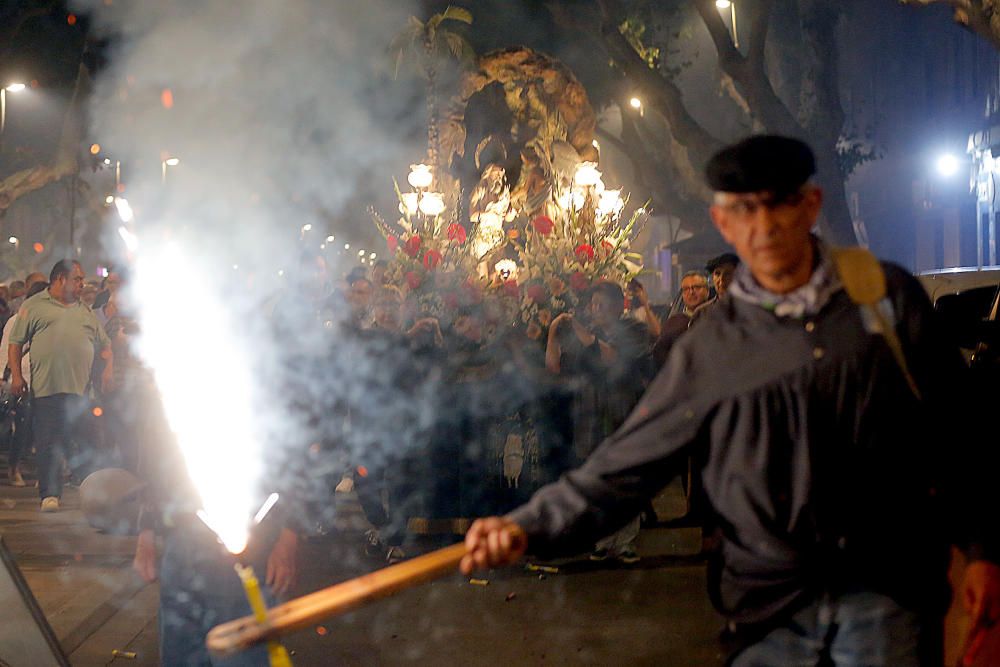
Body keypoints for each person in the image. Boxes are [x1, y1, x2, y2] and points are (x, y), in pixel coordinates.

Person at [461, 135, 1000, 666]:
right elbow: (624, 466)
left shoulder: (885, 298)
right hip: (768, 611)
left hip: (888, 597)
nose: (764, 228)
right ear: (724, 223)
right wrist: (527, 526)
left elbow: (958, 427)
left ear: (810, 205)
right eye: (744, 210)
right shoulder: (711, 346)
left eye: (778, 205)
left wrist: (983, 550)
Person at [8, 260, 114, 511]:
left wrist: (107, 369)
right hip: (46, 389)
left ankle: (89, 492)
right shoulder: (33, 306)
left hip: (80, 390)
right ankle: (49, 494)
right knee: (48, 442)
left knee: (85, 441)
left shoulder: (85, 310)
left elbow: (104, 343)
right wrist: (16, 376)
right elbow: (16, 343)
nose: (81, 284)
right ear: (59, 280)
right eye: (77, 279)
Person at [654, 270, 711, 364]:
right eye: (686, 289)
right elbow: (660, 353)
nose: (691, 292)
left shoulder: (717, 318)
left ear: (707, 291)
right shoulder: (673, 322)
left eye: (696, 287)